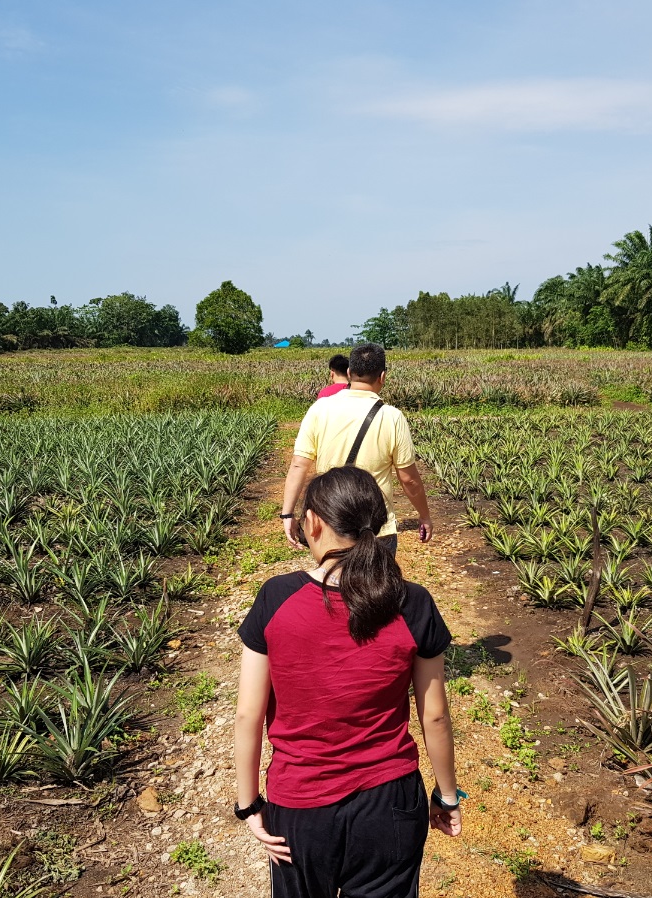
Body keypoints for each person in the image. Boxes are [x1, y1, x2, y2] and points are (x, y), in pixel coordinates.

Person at [235, 465, 462, 898]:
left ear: (313, 523)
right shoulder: (411, 601)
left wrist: (248, 804)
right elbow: (434, 716)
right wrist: (447, 795)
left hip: (300, 806)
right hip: (390, 802)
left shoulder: (276, 597)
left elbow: (249, 713)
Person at [282, 342, 432, 556]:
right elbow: (408, 479)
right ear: (382, 376)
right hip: (376, 526)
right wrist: (424, 515)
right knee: (377, 587)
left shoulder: (320, 408)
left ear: (350, 373)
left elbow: (299, 464)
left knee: (334, 585)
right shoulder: (392, 417)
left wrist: (288, 514)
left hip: (331, 520)